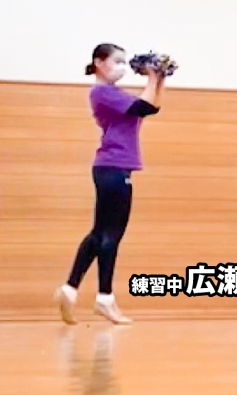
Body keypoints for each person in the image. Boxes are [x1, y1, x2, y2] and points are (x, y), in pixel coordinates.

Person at [54, 43, 165, 325]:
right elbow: (144, 106)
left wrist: (159, 78)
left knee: (99, 233)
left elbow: (151, 107)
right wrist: (153, 76)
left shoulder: (114, 93)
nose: (122, 67)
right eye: (117, 61)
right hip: (114, 167)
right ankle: (105, 298)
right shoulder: (102, 92)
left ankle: (70, 288)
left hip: (110, 168)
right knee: (111, 235)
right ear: (99, 63)